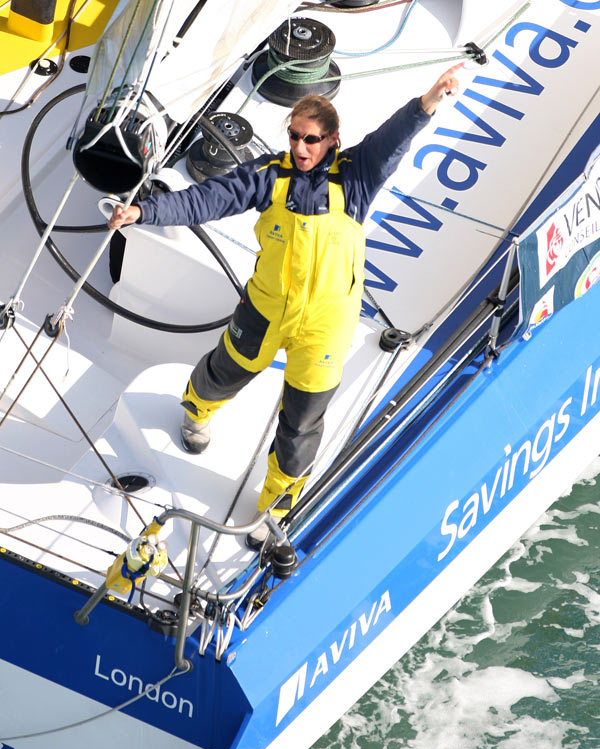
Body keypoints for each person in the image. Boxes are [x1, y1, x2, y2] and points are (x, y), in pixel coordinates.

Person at [109, 64, 462, 548]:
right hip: (265, 309)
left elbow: (392, 139)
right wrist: (145, 211)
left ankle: (276, 503)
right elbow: (205, 200)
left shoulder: (357, 178)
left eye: (311, 139)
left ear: (333, 140)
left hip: (325, 326)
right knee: (223, 372)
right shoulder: (268, 176)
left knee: (301, 423)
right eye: (294, 136)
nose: (299, 148)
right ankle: (195, 410)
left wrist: (429, 100)